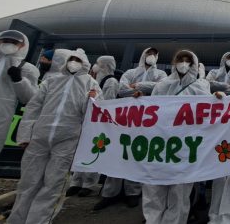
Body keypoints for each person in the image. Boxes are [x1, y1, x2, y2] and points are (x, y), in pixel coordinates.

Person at [7, 49, 100, 224]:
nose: (73, 63)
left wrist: (91, 100)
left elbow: (93, 114)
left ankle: (39, 221)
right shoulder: (51, 81)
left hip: (68, 139)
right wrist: (25, 135)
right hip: (39, 138)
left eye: (77, 60)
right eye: (71, 60)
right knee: (28, 183)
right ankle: (16, 220)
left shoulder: (91, 84)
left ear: (84, 63)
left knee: (53, 184)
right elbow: (33, 108)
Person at [141, 49, 212, 224]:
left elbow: (209, 114)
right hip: (159, 145)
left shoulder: (200, 87)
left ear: (194, 64)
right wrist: (138, 102)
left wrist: (219, 99)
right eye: (181, 59)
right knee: (154, 189)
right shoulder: (161, 85)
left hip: (185, 147)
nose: (184, 63)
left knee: (179, 193)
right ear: (174, 62)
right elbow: (150, 112)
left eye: (188, 60)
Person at [95, 48, 167, 210]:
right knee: (117, 152)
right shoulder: (130, 71)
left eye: (155, 54)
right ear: (143, 55)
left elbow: (161, 88)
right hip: (126, 118)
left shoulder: (161, 74)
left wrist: (138, 86)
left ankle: (133, 192)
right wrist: (140, 91)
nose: (152, 57)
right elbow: (122, 89)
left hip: (147, 119)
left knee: (137, 153)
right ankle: (110, 192)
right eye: (149, 54)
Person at [0, 30, 40, 200]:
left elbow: (31, 98)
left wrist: (19, 80)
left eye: (14, 41)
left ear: (22, 45)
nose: (9, 43)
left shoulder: (25, 68)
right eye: (6, 40)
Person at [67, 55, 119, 197]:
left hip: (99, 123)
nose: (95, 66)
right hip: (87, 121)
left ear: (105, 65)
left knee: (94, 152)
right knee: (82, 151)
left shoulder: (111, 81)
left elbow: (108, 103)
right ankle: (75, 182)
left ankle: (89, 183)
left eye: (98, 63)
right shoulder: (94, 80)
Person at [206, 52, 230, 224]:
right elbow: (209, 84)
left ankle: (228, 215)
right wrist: (225, 87)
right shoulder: (213, 72)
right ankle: (214, 214)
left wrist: (220, 88)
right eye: (229, 57)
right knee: (217, 168)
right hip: (215, 118)